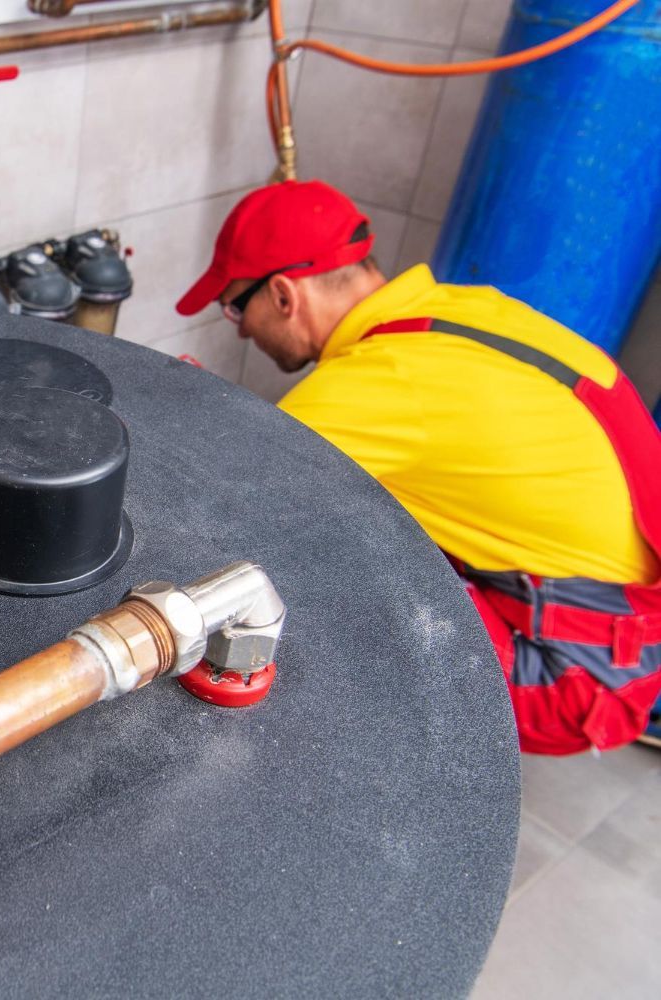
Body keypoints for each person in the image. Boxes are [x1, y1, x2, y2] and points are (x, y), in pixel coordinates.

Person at [175, 179, 661, 755]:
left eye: (237, 306)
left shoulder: (374, 386)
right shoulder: (461, 310)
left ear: (284, 296)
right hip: (619, 612)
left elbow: (214, 499)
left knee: (317, 591)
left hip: (587, 673)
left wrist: (189, 414)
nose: (243, 328)